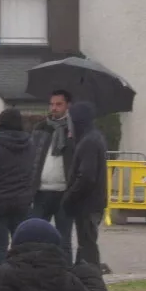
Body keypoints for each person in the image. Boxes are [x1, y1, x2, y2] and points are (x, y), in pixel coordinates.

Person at [0, 109, 36, 264]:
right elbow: (32, 171)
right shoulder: (29, 143)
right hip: (22, 202)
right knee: (22, 246)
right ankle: (20, 280)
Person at [29, 90, 76, 261]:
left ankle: (66, 276)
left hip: (65, 192)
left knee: (64, 240)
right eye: (51, 104)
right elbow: (32, 155)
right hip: (40, 191)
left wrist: (71, 137)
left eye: (58, 104)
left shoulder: (75, 129)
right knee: (35, 237)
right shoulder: (42, 127)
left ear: (68, 106)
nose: (54, 108)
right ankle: (35, 272)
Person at [62, 101, 109, 266]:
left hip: (88, 204)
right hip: (90, 203)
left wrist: (69, 197)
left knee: (87, 246)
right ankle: (84, 277)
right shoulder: (90, 138)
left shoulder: (89, 142)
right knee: (86, 245)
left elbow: (87, 177)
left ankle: (91, 279)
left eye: (70, 120)